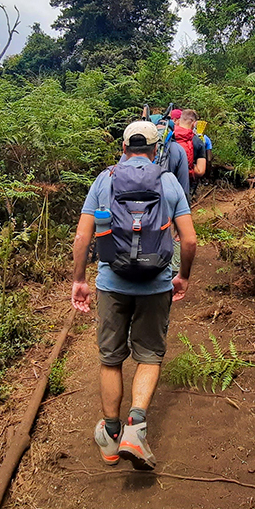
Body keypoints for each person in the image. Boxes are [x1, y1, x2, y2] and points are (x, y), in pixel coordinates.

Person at [71, 120, 196, 470]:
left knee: (110, 359)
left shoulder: (104, 179)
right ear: (157, 150)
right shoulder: (168, 181)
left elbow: (83, 237)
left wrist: (79, 278)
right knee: (149, 356)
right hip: (156, 284)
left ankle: (111, 437)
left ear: (123, 148)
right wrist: (182, 276)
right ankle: (135, 429)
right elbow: (189, 240)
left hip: (112, 283)